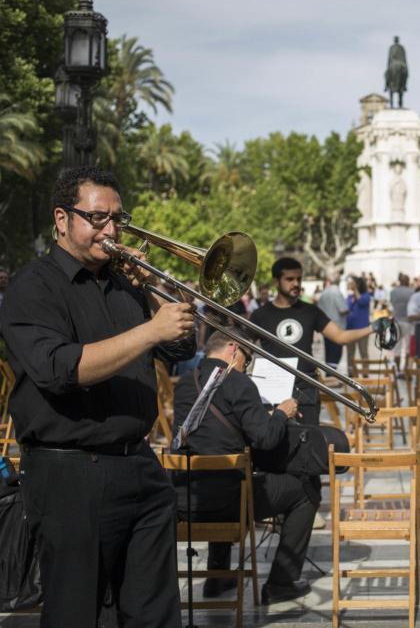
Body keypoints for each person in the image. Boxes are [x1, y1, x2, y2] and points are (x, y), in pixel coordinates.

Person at [0, 165, 197, 627]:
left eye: (117, 219)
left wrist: (149, 287)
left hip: (139, 465)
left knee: (155, 613)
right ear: (62, 220)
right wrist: (149, 331)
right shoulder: (34, 287)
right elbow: (59, 370)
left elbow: (182, 346)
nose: (110, 230)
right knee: (76, 613)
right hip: (69, 471)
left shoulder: (126, 282)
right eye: (97, 218)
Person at [172, 330, 318, 604]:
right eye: (246, 360)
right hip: (227, 503)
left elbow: (212, 432)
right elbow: (265, 439)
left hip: (183, 501)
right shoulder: (238, 382)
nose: (245, 367)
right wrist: (281, 414)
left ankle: (217, 578)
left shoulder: (183, 383)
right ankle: (281, 583)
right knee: (305, 491)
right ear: (233, 348)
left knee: (218, 470)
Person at [250, 257, 381, 426]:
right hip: (271, 389)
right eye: (290, 279)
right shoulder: (260, 315)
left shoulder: (310, 311)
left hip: (305, 389)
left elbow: (340, 337)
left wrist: (372, 328)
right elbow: (241, 348)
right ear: (276, 281)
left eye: (299, 279)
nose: (296, 283)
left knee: (307, 444)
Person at [316, 274, 349, 369]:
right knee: (336, 354)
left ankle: (328, 374)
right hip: (337, 328)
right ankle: (332, 376)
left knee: (329, 353)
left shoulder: (324, 292)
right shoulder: (337, 292)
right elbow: (343, 309)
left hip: (326, 327)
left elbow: (319, 309)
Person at [390, 273, 415, 373]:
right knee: (408, 347)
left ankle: (398, 370)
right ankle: (406, 369)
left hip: (397, 320)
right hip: (408, 322)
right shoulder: (412, 292)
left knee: (397, 347)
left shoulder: (393, 292)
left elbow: (392, 303)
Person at [345, 276, 372, 364]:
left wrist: (355, 290)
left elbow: (361, 301)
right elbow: (346, 308)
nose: (352, 285)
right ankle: (351, 373)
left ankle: (365, 374)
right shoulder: (350, 297)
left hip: (363, 329)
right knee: (350, 353)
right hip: (350, 329)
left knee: (363, 352)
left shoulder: (366, 296)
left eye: (354, 284)